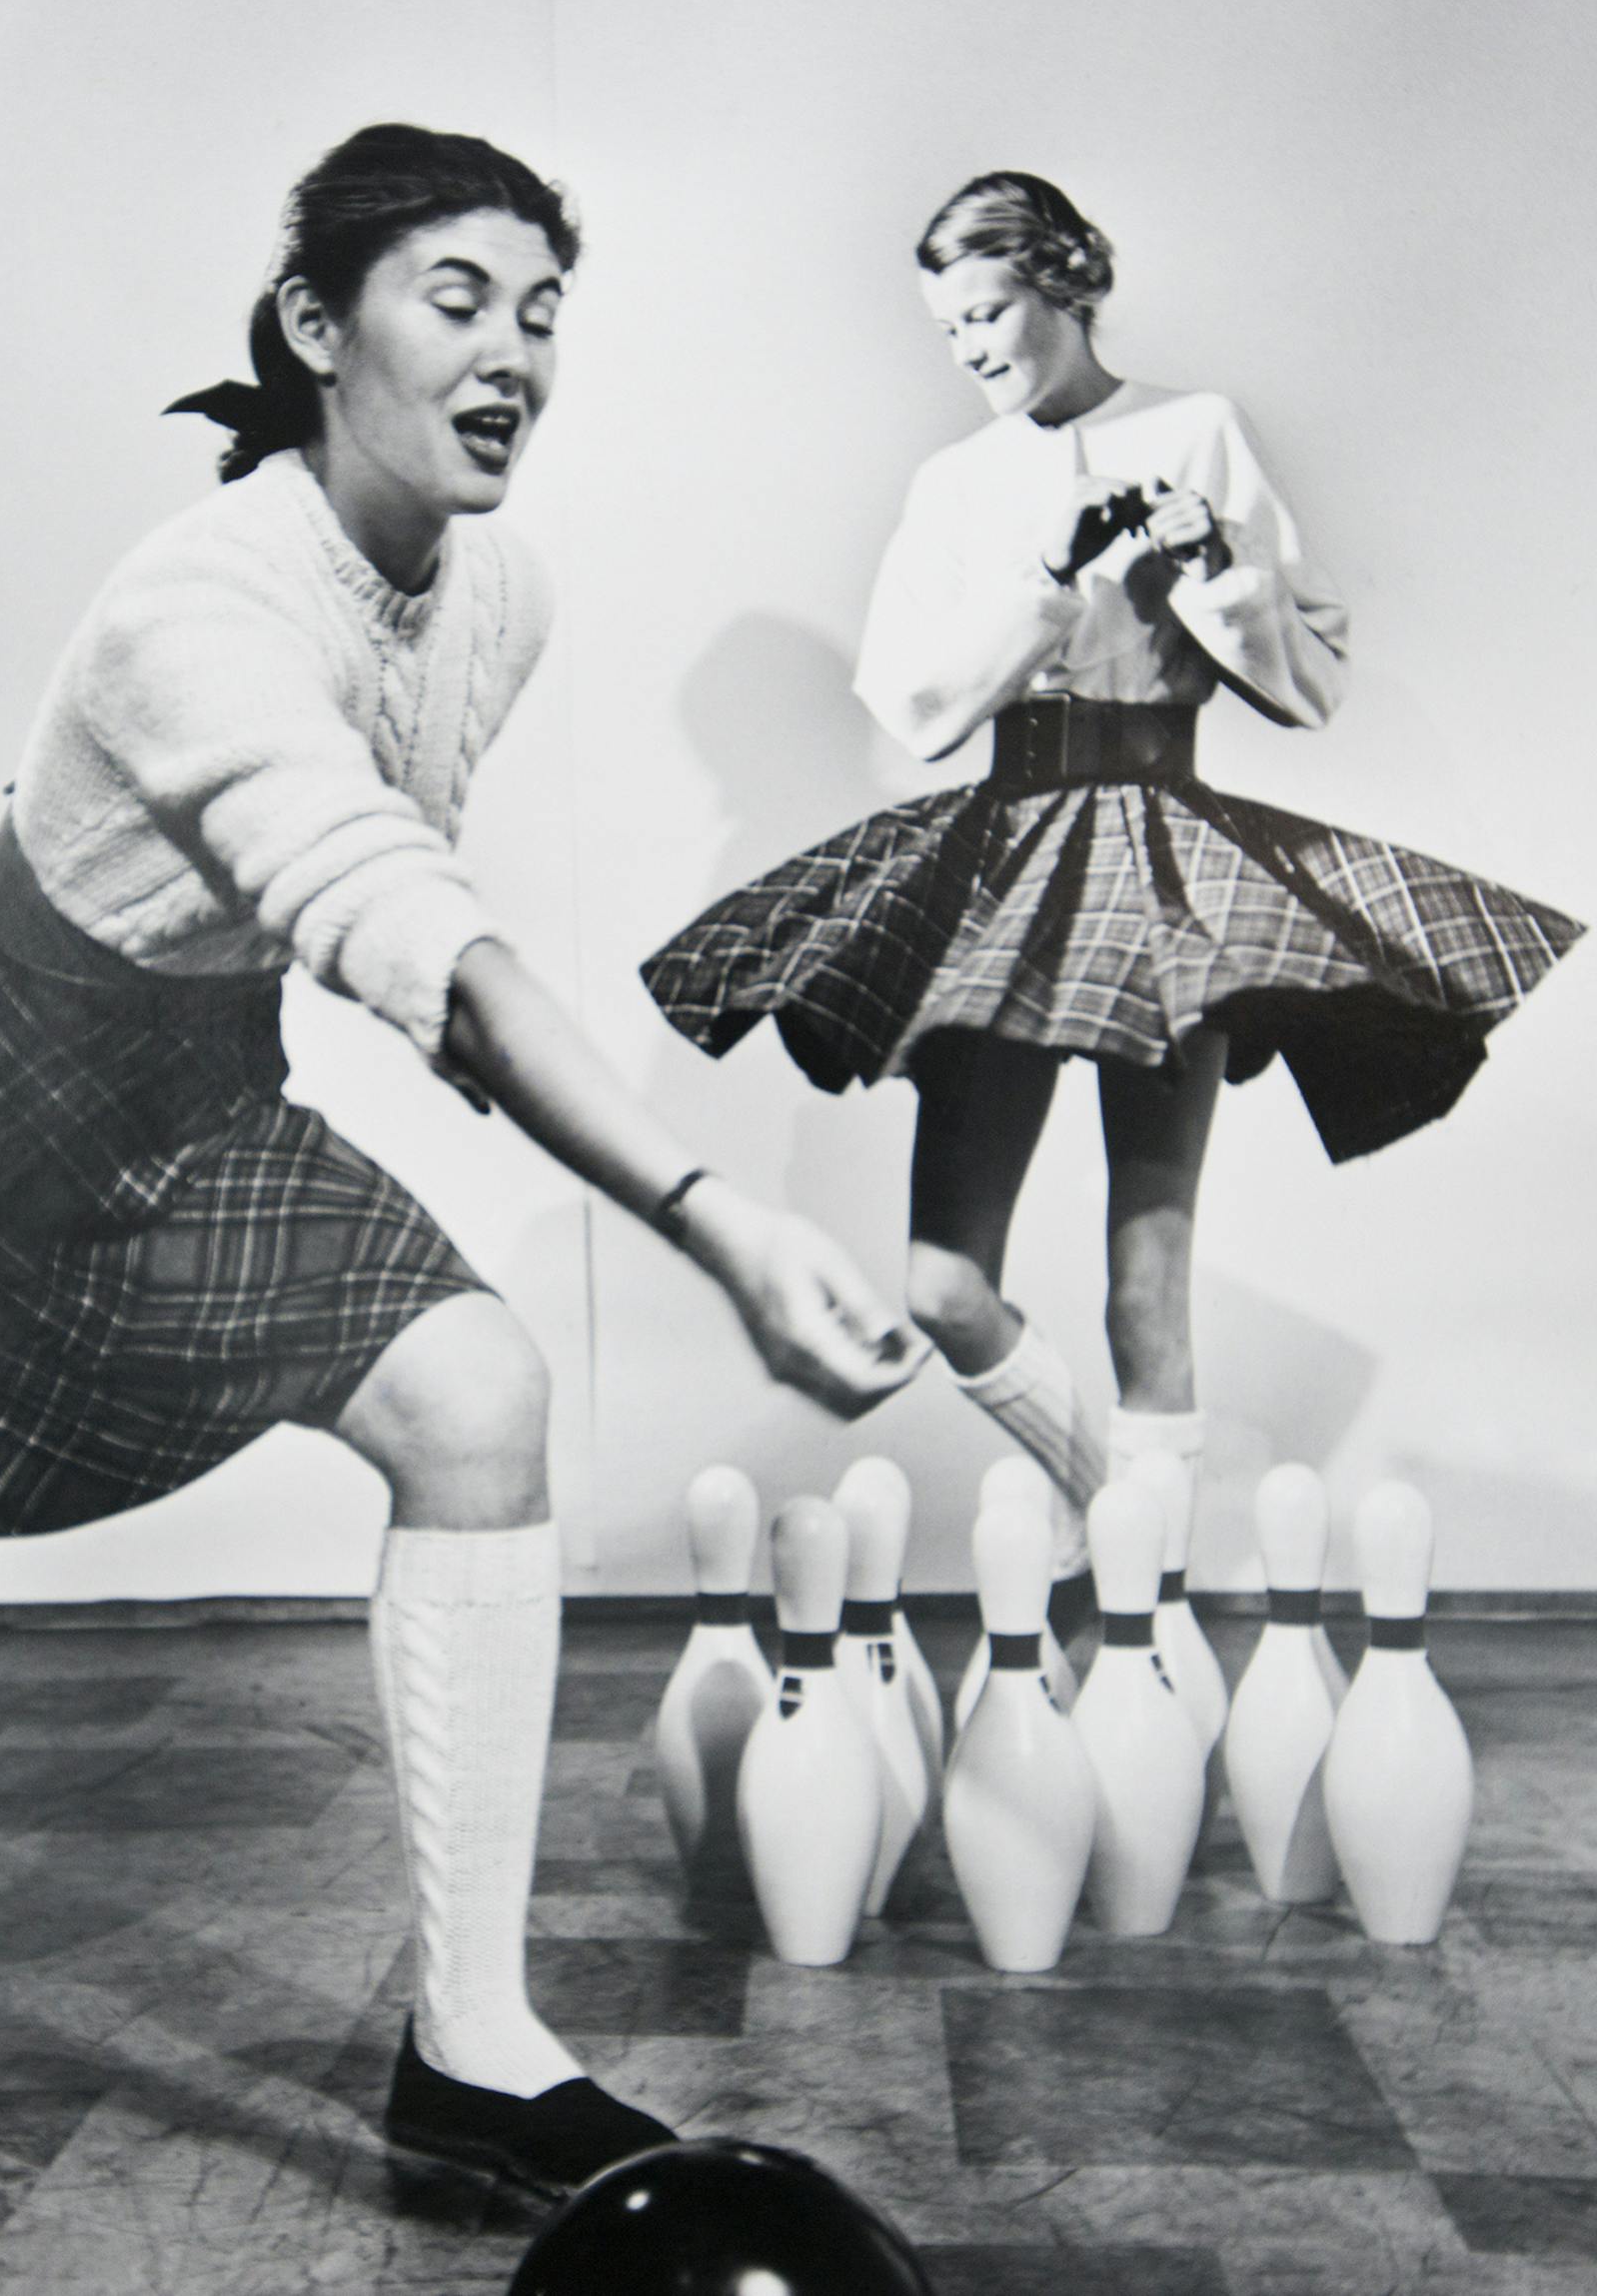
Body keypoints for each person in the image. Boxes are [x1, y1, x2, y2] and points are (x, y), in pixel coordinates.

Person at [0, 125, 922, 2194]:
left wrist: (494, 1042)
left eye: (543, 309)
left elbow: (385, 901)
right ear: (321, 328)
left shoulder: (502, 591)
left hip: (191, 1105)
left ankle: (474, 2047)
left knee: (478, 1388)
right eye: (457, 295)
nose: (515, 348)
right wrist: (713, 1220)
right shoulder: (195, 606)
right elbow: (385, 904)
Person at [642, 171, 1581, 1620]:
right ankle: (1111, 1511)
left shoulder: (1198, 430)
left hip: (1170, 868)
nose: (967, 346)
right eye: (947, 325)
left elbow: (1305, 687)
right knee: (948, 1287)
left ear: (1065, 282)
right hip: (1002, 867)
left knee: (1149, 1288)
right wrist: (1042, 576)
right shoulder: (954, 484)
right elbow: (914, 706)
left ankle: (1151, 1632)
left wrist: (1214, 568)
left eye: (988, 310)